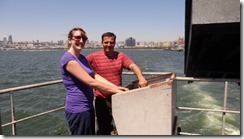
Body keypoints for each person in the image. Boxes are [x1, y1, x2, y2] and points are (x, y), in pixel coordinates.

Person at [60, 28, 128, 135]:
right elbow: (91, 82)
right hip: (78, 109)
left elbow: (95, 76)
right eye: (78, 37)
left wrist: (116, 88)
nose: (81, 41)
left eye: (84, 38)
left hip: (88, 106)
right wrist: (117, 91)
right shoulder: (68, 59)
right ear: (69, 40)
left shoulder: (82, 58)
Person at [86, 32, 148, 135]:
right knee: (103, 129)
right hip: (102, 100)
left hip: (118, 97)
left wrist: (141, 78)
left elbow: (133, 66)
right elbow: (80, 64)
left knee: (122, 126)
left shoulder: (121, 56)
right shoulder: (93, 56)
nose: (109, 45)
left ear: (115, 43)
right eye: (106, 42)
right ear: (102, 43)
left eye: (111, 42)